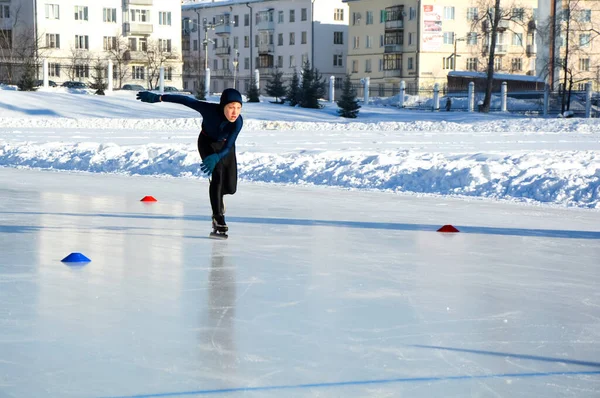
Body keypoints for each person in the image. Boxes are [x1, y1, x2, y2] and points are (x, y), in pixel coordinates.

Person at [136, 88, 243, 233]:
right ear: (223, 105)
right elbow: (185, 100)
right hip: (207, 142)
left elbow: (230, 144)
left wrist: (218, 156)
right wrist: (159, 97)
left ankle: (219, 198)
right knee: (217, 174)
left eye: (238, 108)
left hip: (225, 146)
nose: (235, 112)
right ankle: (218, 216)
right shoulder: (208, 109)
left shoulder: (238, 122)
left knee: (231, 188)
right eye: (231, 107)